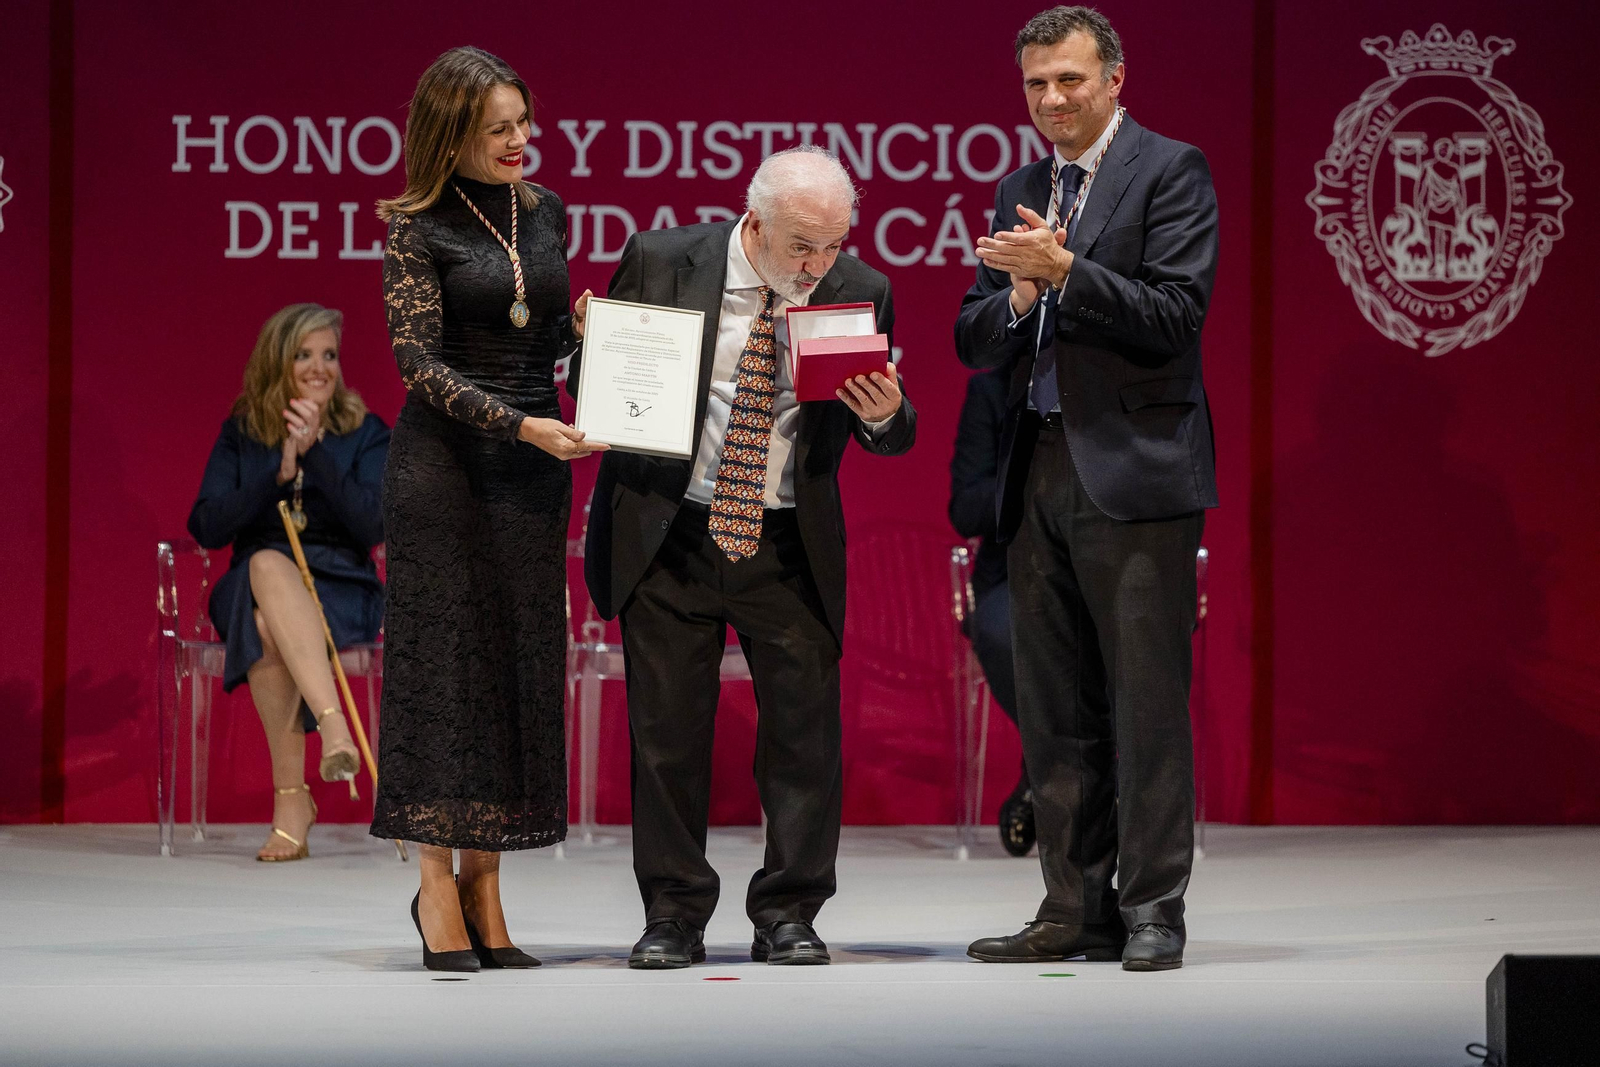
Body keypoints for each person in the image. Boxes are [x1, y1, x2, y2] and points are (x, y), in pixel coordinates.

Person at [570, 145, 916, 969]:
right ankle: (673, 914)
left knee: (803, 737)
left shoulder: (859, 292)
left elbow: (890, 434)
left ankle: (790, 911)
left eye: (834, 244)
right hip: (672, 531)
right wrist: (590, 347)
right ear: (753, 223)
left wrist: (886, 414)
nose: (817, 265)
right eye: (802, 245)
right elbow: (595, 383)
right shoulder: (661, 259)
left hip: (787, 540)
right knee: (666, 736)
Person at [955, 5, 1219, 971]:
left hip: (1137, 470)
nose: (1051, 100)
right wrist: (1022, 293)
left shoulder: (1171, 169)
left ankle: (1152, 906)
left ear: (1114, 79)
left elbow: (1175, 315)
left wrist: (1065, 271)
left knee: (1144, 703)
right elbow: (973, 337)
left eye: (1069, 80)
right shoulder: (1020, 186)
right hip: (1040, 469)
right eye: (1035, 84)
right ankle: (1073, 903)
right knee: (1056, 703)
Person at [371, 46, 604, 973]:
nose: (521, 141)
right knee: (443, 677)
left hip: (529, 475)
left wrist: (580, 335)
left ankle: (488, 885)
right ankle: (436, 887)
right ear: (450, 134)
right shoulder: (414, 225)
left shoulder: (543, 210)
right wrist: (523, 425)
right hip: (445, 474)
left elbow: (535, 329)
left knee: (515, 667)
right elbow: (418, 366)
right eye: (498, 128)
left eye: (522, 122)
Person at [188, 303, 389, 863]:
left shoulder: (363, 430)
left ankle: (292, 803)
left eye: (329, 355)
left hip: (342, 587)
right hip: (256, 577)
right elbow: (206, 525)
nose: (320, 367)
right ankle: (336, 730)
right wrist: (277, 473)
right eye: (305, 355)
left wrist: (317, 454)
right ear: (280, 360)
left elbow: (374, 524)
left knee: (262, 627)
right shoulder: (244, 430)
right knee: (265, 568)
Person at [947, 365, 1032, 856]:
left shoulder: (1106, 376)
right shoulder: (993, 389)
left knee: (1114, 630)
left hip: (1095, 567)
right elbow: (965, 510)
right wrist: (1025, 468)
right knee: (1001, 632)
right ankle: (1071, 769)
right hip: (1011, 572)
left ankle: (1045, 779)